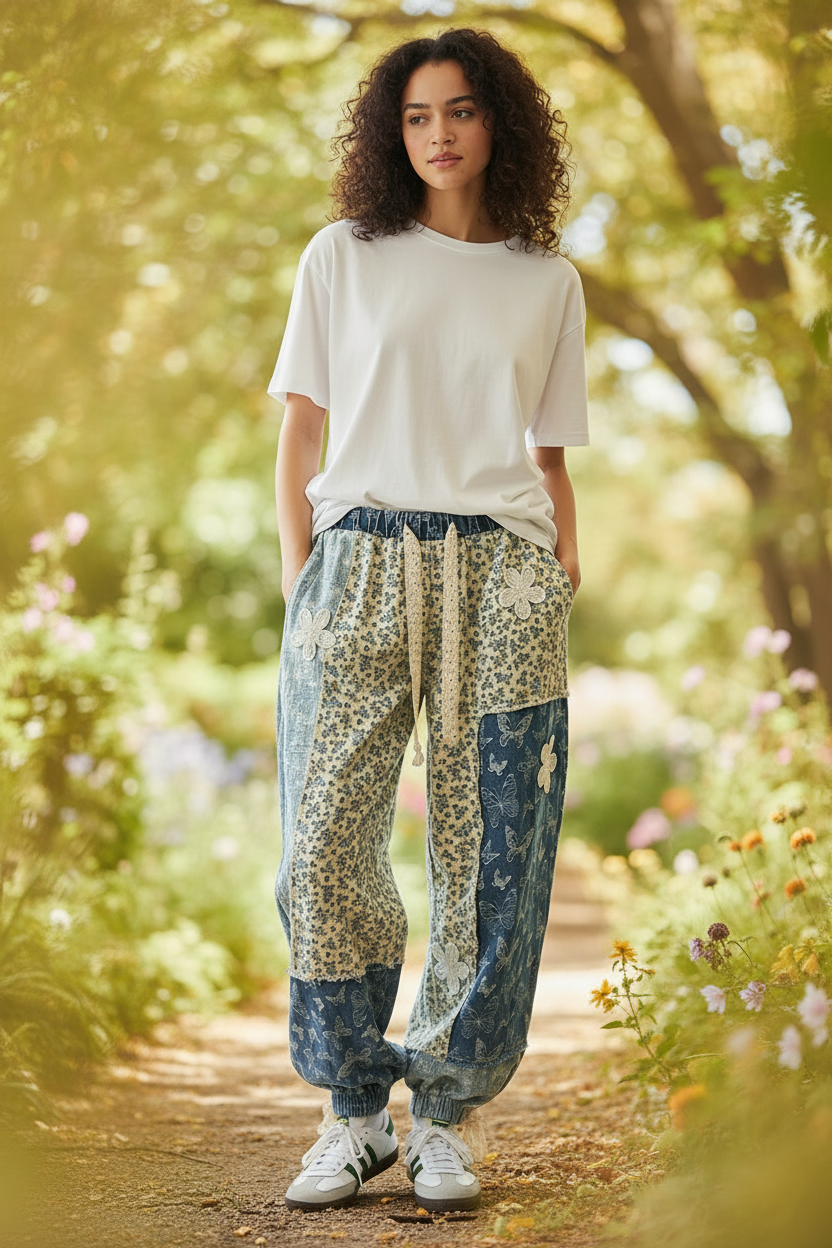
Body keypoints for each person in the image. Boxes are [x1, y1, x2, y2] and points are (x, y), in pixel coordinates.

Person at [267, 26, 588, 1216]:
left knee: (493, 847)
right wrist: (304, 581)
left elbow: (550, 458)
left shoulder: (547, 279)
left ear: (498, 121)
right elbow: (299, 434)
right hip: (357, 560)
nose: (438, 133)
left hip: (503, 570)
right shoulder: (343, 256)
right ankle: (353, 1112)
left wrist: (559, 569)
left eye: (458, 110)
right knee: (325, 837)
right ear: (389, 132)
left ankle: (444, 1109)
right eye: (415, 115)